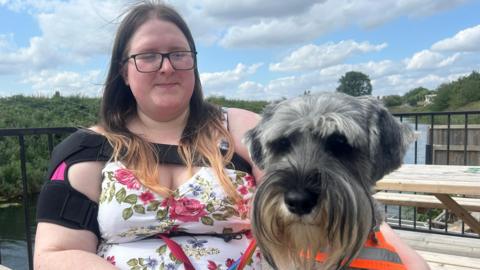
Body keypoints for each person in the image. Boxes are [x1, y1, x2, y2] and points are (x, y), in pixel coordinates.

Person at [34, 1, 429, 269]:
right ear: (124, 70)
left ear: (194, 63)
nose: (167, 67)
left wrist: (401, 253)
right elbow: (55, 255)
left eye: (179, 54)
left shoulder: (237, 127)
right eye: (148, 56)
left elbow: (317, 192)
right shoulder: (85, 150)